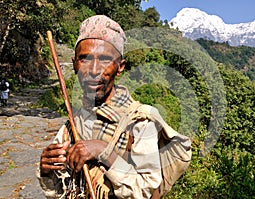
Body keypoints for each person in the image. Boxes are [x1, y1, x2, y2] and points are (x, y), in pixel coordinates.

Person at [38, 15, 162, 199]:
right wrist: (47, 171)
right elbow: (59, 192)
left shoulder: (139, 122)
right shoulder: (72, 125)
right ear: (74, 64)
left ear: (120, 67)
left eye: (104, 59)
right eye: (84, 59)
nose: (94, 70)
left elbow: (149, 190)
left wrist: (105, 152)